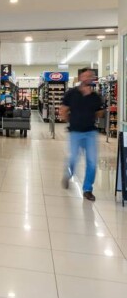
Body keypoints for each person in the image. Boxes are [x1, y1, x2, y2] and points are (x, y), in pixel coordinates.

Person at [60, 69, 104, 201]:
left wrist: (91, 115)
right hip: (75, 132)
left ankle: (87, 189)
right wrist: (71, 121)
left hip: (91, 133)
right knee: (73, 158)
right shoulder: (71, 93)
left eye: (91, 76)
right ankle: (68, 174)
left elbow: (100, 112)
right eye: (86, 75)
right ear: (80, 77)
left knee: (92, 162)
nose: (88, 77)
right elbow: (63, 110)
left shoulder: (95, 97)